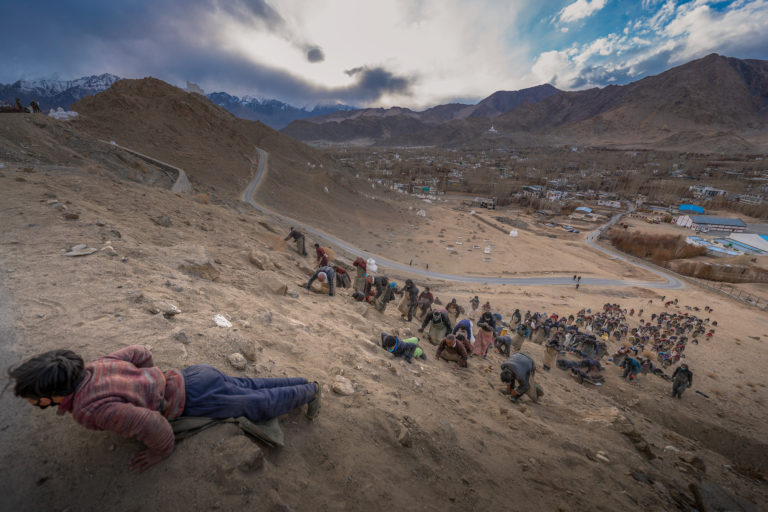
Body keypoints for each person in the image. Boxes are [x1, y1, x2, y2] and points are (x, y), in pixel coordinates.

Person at [7, 346, 320, 473]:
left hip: (196, 398)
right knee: (251, 386)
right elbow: (141, 352)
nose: (31, 402)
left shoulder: (90, 410)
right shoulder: (94, 365)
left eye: (31, 397)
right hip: (192, 375)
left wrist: (160, 451)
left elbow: (155, 426)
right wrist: (149, 380)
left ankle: (311, 390)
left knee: (260, 405)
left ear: (50, 395)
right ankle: (301, 381)